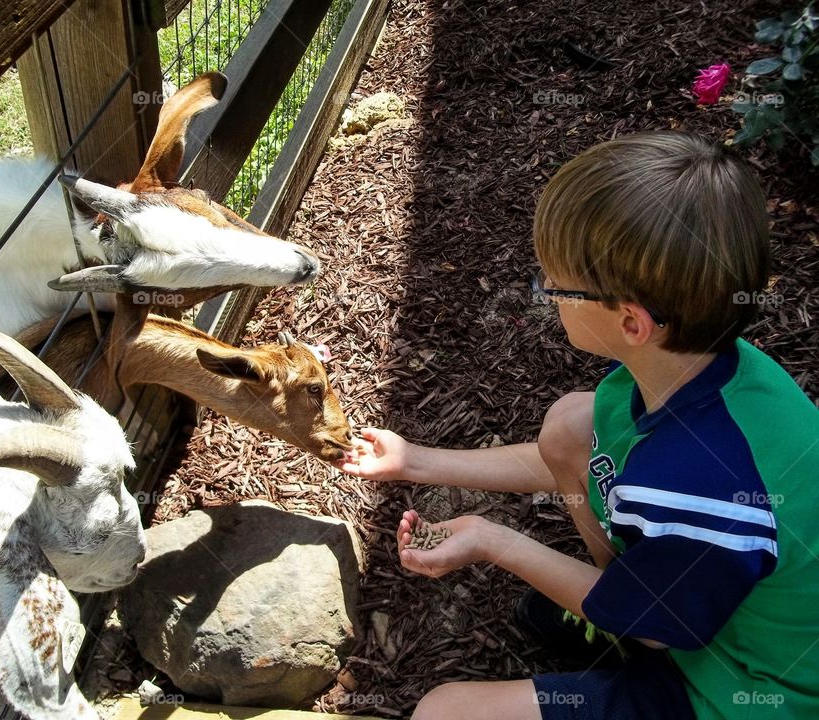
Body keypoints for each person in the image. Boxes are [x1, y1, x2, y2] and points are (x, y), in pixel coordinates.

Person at [336, 131, 819, 719]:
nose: (545, 292)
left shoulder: (699, 489)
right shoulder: (700, 364)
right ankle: (615, 606)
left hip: (746, 691)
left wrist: (497, 541)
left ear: (632, 322)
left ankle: (618, 613)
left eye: (554, 285)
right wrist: (416, 460)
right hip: (699, 609)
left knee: (443, 711)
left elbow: (661, 629)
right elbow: (576, 458)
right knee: (570, 424)